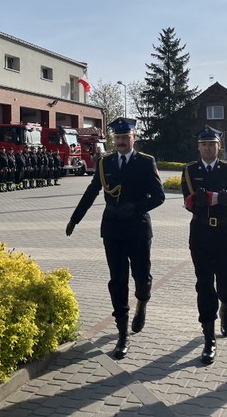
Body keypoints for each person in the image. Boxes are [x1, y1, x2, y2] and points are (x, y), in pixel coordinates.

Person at [66, 117, 165, 359]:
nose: (121, 141)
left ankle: (142, 303)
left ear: (134, 138)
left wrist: (136, 208)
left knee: (142, 276)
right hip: (112, 229)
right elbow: (92, 191)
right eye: (118, 138)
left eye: (125, 137)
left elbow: (159, 196)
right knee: (117, 281)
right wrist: (75, 219)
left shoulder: (146, 162)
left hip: (138, 228)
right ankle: (122, 333)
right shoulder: (105, 163)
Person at [180, 126, 227, 364]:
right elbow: (188, 202)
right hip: (201, 232)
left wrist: (222, 200)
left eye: (212, 144)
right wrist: (201, 202)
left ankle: (225, 309)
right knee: (204, 285)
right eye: (204, 144)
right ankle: (208, 337)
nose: (208, 148)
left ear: (219, 146)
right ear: (198, 147)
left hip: (225, 232)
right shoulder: (189, 171)